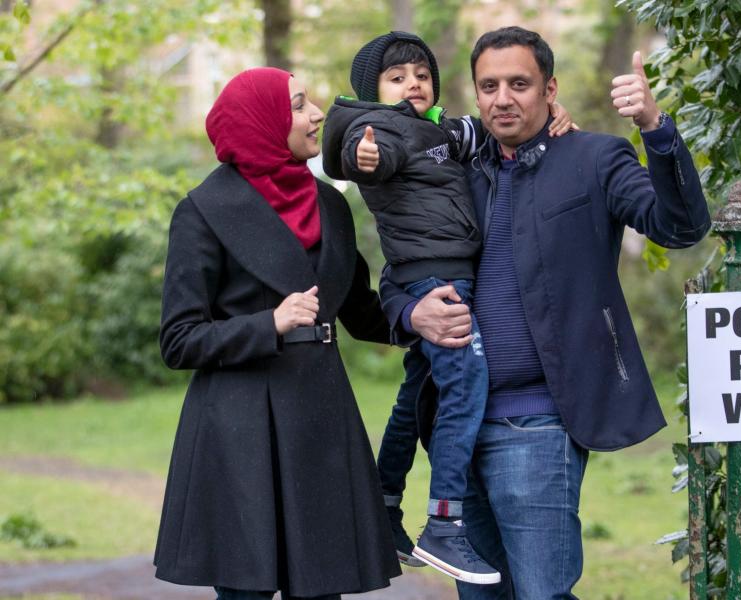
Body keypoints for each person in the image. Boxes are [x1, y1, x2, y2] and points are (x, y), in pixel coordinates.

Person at [379, 27, 712, 599]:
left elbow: (680, 227)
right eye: (489, 85)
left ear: (549, 89)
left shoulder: (594, 157)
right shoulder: (458, 171)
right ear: (475, 93)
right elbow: (397, 277)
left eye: (519, 84)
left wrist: (655, 129)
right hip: (455, 428)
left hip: (537, 423)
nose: (503, 98)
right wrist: (413, 315)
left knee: (540, 593)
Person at [321, 30, 573, 585]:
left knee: (417, 393)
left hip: (442, 272)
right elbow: (362, 155)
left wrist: (552, 116)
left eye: (421, 75)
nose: (413, 84)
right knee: (466, 385)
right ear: (373, 91)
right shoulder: (380, 130)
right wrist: (361, 155)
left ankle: (384, 504)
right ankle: (444, 521)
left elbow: (487, 128)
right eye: (397, 77)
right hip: (432, 279)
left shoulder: (437, 130)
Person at [153, 67, 400, 600]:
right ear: (262, 120)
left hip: (320, 421)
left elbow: (361, 311)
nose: (316, 115)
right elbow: (178, 339)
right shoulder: (202, 212)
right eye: (298, 105)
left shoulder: (330, 205)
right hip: (240, 433)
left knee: (322, 589)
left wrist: (420, 319)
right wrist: (269, 324)